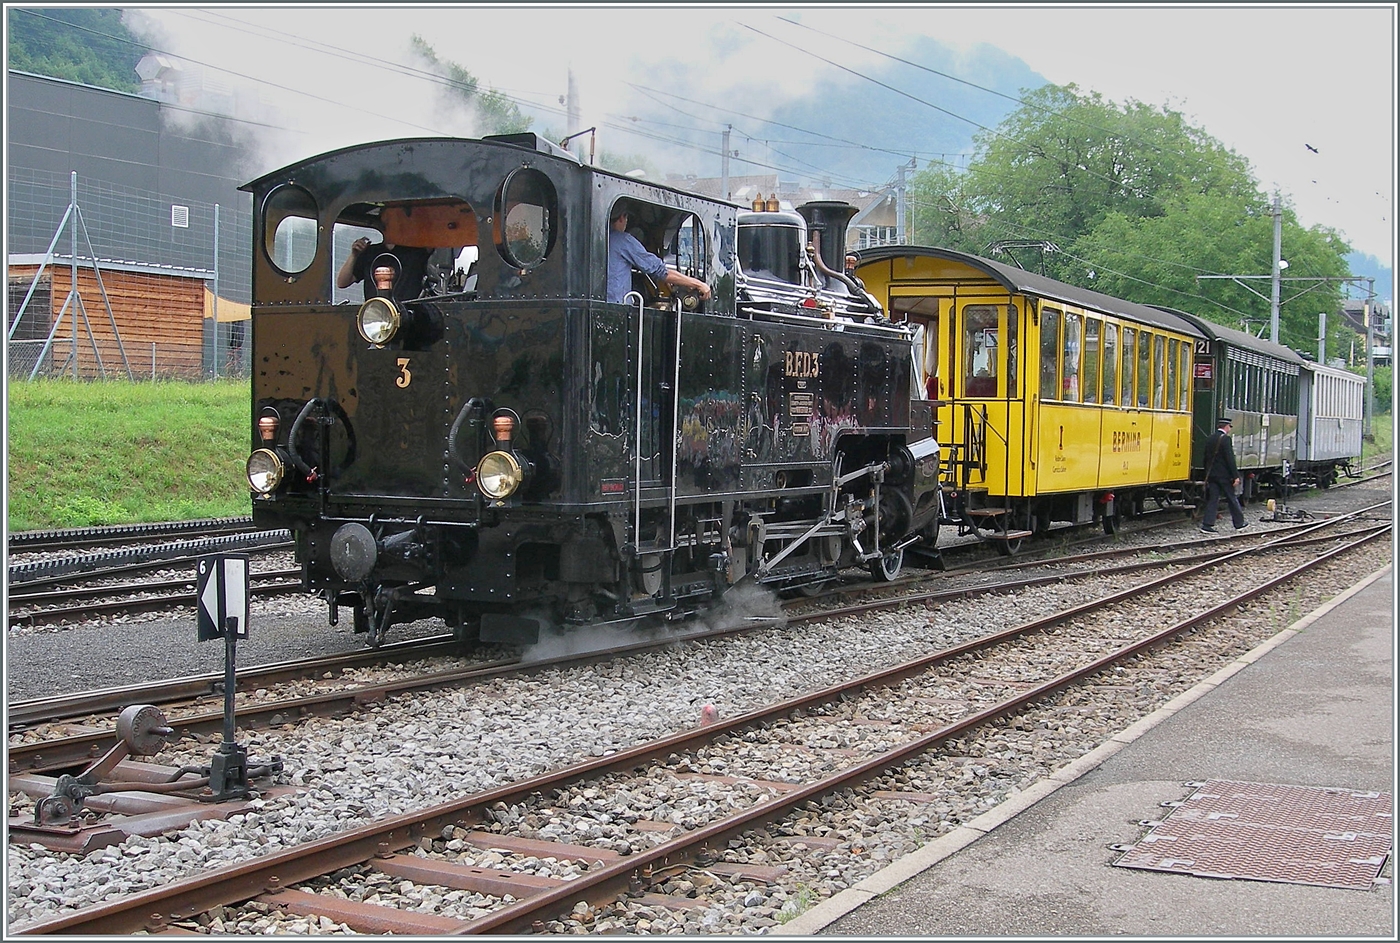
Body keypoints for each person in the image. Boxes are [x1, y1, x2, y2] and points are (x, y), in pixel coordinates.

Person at [607, 206, 712, 305]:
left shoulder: (601, 239)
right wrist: (698, 284)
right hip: (616, 308)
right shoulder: (623, 241)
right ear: (622, 218)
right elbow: (660, 271)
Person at [337, 236, 431, 302]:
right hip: (375, 315)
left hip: (409, 316)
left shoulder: (417, 252)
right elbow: (342, 282)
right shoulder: (370, 252)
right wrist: (354, 255)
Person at [1200, 416, 1247, 532]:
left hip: (1212, 475)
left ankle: (1207, 524)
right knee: (1231, 498)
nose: (1229, 429)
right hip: (1224, 476)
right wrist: (1235, 476)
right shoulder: (1226, 439)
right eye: (1229, 427)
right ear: (1226, 427)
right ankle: (1239, 523)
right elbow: (1229, 459)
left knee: (1213, 499)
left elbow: (1206, 458)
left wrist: (1207, 473)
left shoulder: (1210, 438)